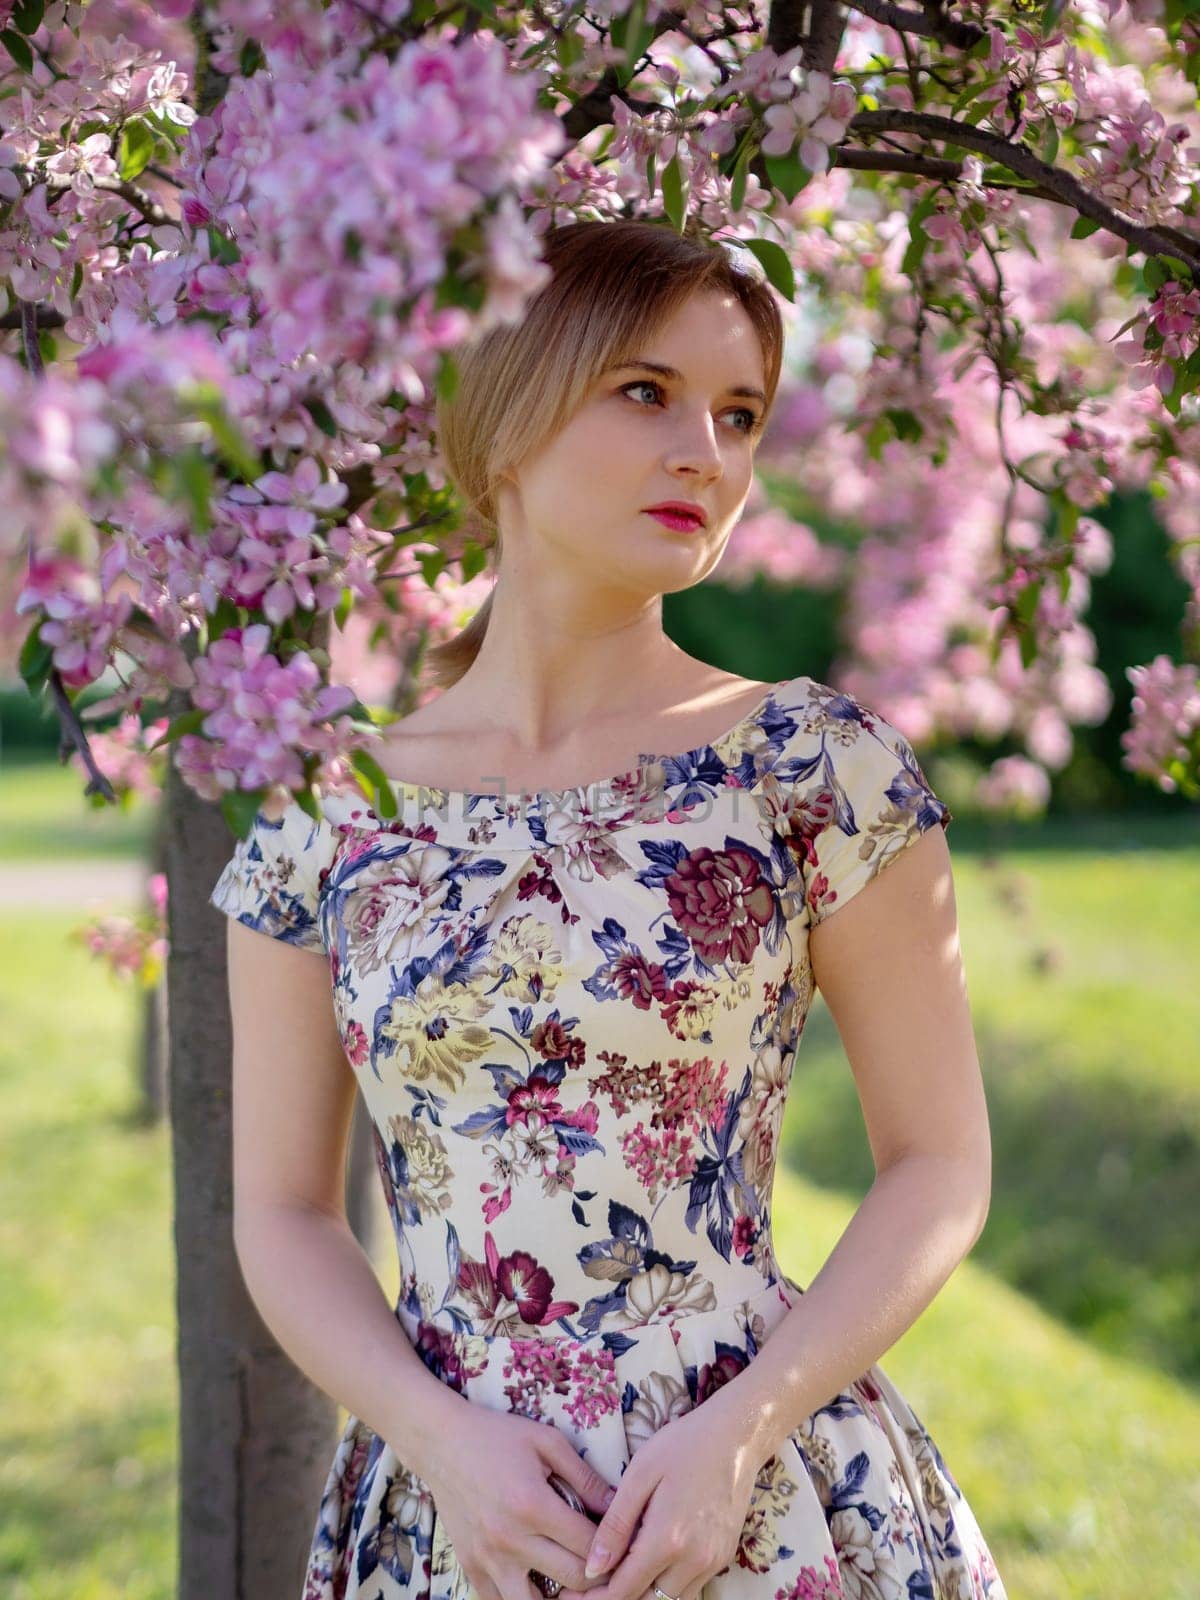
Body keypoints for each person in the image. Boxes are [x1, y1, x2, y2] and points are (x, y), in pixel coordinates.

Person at [209, 217, 1008, 1600]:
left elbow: (938, 1162)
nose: (708, 450)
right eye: (647, 391)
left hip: (753, 1502)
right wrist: (439, 1440)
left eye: (740, 412)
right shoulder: (325, 809)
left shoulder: (812, 768)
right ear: (508, 409)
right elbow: (283, 1212)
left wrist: (742, 1432)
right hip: (457, 1521)